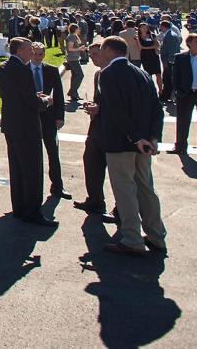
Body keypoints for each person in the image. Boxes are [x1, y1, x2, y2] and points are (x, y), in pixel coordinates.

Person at [94, 37, 167, 256]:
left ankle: (132, 238)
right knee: (145, 188)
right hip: (144, 142)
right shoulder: (142, 74)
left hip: (121, 142)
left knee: (125, 189)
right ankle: (156, 235)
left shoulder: (108, 74)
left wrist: (134, 137)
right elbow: (157, 108)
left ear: (108, 50)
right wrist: (153, 137)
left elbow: (117, 110)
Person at [0, 37, 56, 226]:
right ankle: (32, 211)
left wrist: (32, 96)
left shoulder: (2, 68)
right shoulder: (22, 69)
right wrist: (45, 101)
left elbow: (13, 95)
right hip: (26, 126)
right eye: (29, 49)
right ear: (19, 51)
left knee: (17, 167)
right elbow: (29, 101)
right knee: (32, 169)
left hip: (11, 124)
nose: (32, 53)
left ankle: (19, 207)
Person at [74, 41, 111, 216]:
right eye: (90, 54)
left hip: (113, 131)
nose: (93, 58)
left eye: (96, 54)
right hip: (96, 128)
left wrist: (100, 108)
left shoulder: (114, 75)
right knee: (91, 163)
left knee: (117, 172)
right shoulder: (98, 74)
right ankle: (95, 200)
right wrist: (93, 105)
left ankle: (121, 209)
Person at [31, 43, 70, 200]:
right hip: (31, 117)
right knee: (33, 154)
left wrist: (60, 116)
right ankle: (33, 187)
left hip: (49, 117)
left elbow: (59, 95)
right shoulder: (24, 71)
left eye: (41, 54)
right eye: (35, 54)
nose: (37, 57)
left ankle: (58, 186)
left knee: (53, 152)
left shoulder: (51, 71)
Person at [137, 22, 163, 95]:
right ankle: (151, 90)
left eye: (146, 27)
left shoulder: (152, 35)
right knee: (148, 74)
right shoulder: (138, 36)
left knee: (158, 74)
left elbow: (157, 45)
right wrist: (145, 47)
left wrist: (145, 47)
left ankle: (160, 91)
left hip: (154, 56)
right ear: (139, 28)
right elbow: (140, 47)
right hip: (145, 57)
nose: (145, 29)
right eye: (143, 27)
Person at [63, 23, 86, 102]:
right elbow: (70, 48)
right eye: (78, 28)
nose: (79, 29)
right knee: (80, 75)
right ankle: (72, 92)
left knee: (75, 76)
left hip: (75, 58)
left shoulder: (74, 36)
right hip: (72, 59)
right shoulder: (71, 36)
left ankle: (74, 94)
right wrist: (79, 49)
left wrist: (80, 49)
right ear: (75, 29)